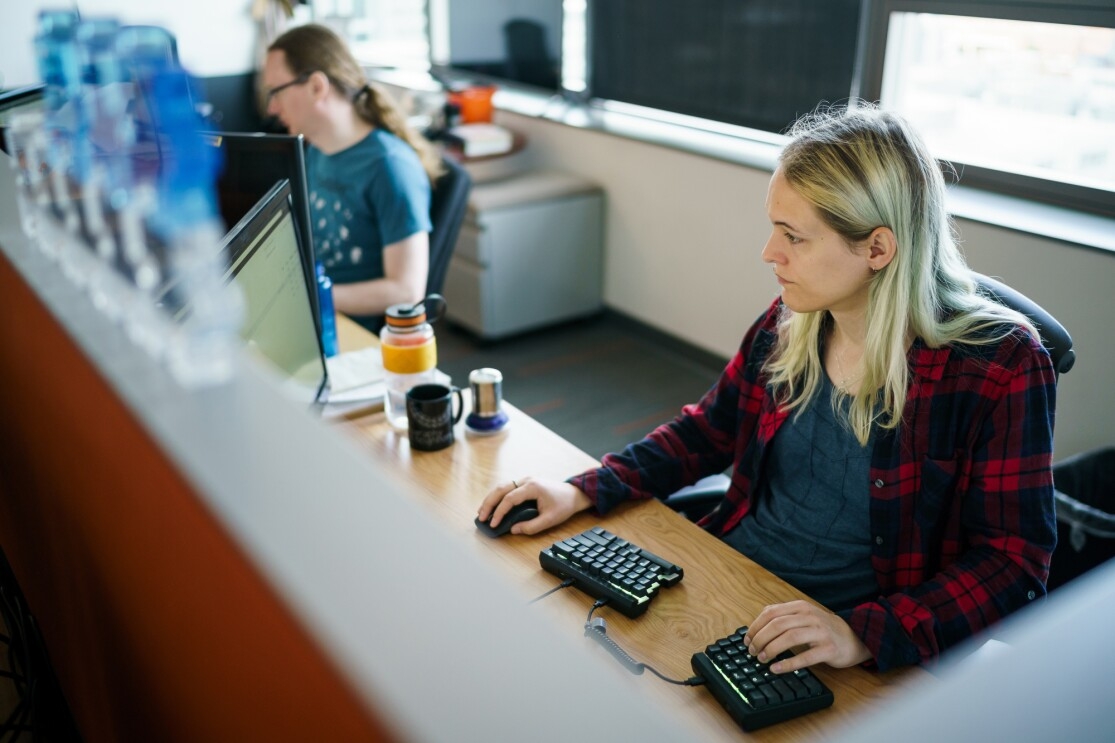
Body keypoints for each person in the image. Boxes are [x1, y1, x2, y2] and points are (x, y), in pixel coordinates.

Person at [477, 103, 1058, 673]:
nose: (768, 254)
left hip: (841, 639)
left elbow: (1013, 562)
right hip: (731, 579)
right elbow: (708, 430)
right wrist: (584, 489)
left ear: (877, 249)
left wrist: (862, 634)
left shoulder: (1000, 366)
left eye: (794, 237)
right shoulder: (796, 320)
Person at [262, 24, 443, 332]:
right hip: (320, 318)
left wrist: (313, 295)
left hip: (360, 333)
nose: (272, 108)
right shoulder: (315, 149)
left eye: (277, 92)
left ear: (317, 87)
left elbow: (406, 291)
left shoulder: (390, 166)